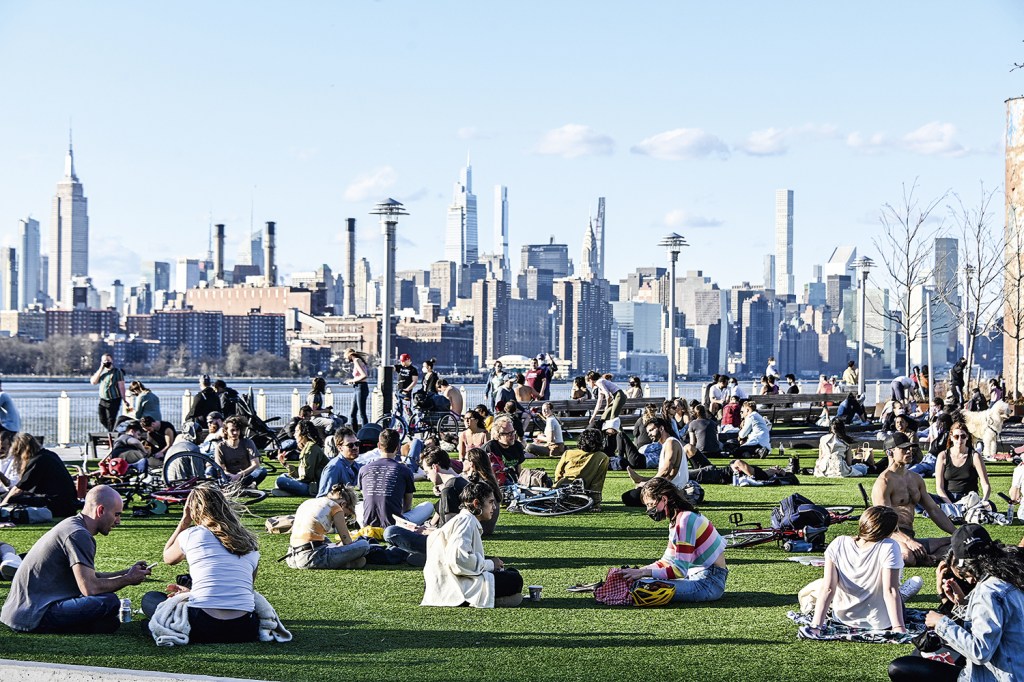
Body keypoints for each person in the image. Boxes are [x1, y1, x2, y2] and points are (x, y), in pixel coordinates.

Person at [0, 485, 151, 633]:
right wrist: (128, 579)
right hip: (35, 613)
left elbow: (89, 578)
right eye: (117, 514)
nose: (118, 521)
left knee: (109, 622)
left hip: (23, 611)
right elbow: (90, 588)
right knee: (109, 601)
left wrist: (127, 573)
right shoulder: (78, 534)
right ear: (101, 510)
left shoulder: (73, 525)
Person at [889, 524, 1024, 681]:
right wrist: (962, 605)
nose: (967, 580)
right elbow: (1004, 625)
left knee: (900, 667)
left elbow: (980, 652)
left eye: (962, 575)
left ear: (966, 565)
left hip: (997, 677)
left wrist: (941, 623)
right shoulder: (1011, 578)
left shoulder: (988, 591)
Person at [141, 485, 262, 643]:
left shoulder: (192, 534)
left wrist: (184, 522)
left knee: (151, 599)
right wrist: (189, 593)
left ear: (192, 510)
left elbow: (168, 557)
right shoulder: (249, 543)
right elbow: (243, 588)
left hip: (203, 625)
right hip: (245, 628)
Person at [617, 477, 728, 603]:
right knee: (636, 582)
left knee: (641, 588)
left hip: (708, 582)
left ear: (664, 499)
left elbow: (679, 571)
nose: (648, 510)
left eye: (650, 504)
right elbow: (667, 561)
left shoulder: (685, 521)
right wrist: (637, 572)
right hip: (698, 577)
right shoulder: (679, 518)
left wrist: (643, 573)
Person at [421, 482, 524, 609]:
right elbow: (458, 559)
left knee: (511, 574)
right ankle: (489, 599)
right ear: (476, 504)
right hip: (453, 586)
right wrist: (490, 564)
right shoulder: (465, 522)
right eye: (491, 502)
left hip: (443, 584)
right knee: (514, 579)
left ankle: (495, 597)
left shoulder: (464, 520)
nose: (494, 507)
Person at [808, 506, 905, 634]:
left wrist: (816, 626)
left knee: (818, 585)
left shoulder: (838, 543)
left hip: (843, 619)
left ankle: (903, 594)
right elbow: (890, 591)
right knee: (907, 586)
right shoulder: (889, 546)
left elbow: (828, 589)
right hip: (880, 622)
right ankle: (904, 594)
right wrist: (898, 628)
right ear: (888, 531)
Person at [872, 431, 956, 566]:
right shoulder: (884, 482)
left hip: (909, 535)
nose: (909, 451)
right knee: (907, 557)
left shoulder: (916, 479)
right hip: (890, 537)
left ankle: (930, 558)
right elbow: (884, 525)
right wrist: (908, 541)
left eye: (910, 448)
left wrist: (957, 533)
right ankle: (925, 558)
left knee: (956, 544)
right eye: (904, 448)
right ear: (890, 452)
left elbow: (933, 510)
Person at [356, 428, 432, 529]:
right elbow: (407, 505)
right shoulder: (404, 470)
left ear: (379, 445)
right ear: (398, 447)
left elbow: (366, 496)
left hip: (368, 524)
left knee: (358, 505)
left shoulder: (364, 469)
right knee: (429, 505)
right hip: (395, 524)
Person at [285, 484, 369, 570]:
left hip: (291, 557)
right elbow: (347, 542)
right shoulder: (335, 507)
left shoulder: (308, 502)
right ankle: (343, 563)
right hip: (312, 557)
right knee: (364, 545)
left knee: (325, 539)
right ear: (343, 504)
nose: (344, 518)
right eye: (346, 514)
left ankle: (344, 564)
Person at [0, 433, 77, 517]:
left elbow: (19, 489)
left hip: (55, 504)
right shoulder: (48, 455)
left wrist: (3, 504)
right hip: (67, 503)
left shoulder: (37, 460)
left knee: (12, 498)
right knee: (5, 496)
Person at [623, 418, 687, 507]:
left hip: (672, 491)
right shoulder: (668, 443)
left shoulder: (671, 442)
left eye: (651, 430)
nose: (649, 434)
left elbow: (666, 470)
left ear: (661, 428)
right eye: (648, 432)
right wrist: (643, 479)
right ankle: (640, 479)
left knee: (629, 497)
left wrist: (647, 484)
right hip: (670, 487)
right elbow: (667, 476)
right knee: (632, 494)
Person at [934, 421, 991, 505]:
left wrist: (983, 501)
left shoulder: (974, 456)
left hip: (969, 499)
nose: (960, 440)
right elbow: (939, 488)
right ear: (951, 437)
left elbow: (985, 484)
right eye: (956, 436)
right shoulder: (943, 456)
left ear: (967, 437)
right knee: (922, 498)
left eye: (963, 436)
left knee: (991, 506)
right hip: (947, 498)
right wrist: (951, 505)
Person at [553, 428, 609, 511]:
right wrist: (596, 504)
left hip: (560, 493)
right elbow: (597, 482)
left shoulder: (568, 453)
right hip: (582, 497)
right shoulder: (602, 457)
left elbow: (558, 474)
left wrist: (555, 488)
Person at [273, 419, 328, 497]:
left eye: (297, 431)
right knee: (283, 476)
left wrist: (294, 480)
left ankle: (289, 491)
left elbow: (307, 476)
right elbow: (301, 472)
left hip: (312, 487)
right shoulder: (308, 446)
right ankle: (289, 491)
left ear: (304, 433)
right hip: (308, 483)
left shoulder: (311, 448)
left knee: (280, 480)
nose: (294, 434)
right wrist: (285, 463)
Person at [213, 416, 268, 488]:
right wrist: (232, 476)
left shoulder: (248, 443)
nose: (235, 432)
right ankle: (247, 487)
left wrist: (240, 474)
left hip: (246, 476)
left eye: (237, 430)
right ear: (226, 431)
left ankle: (243, 486)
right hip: (229, 477)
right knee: (212, 471)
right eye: (232, 430)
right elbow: (221, 469)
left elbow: (256, 464)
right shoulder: (220, 447)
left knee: (262, 470)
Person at [89, 353, 127, 433]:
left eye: (108, 360)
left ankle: (111, 437)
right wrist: (100, 368)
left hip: (114, 399)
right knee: (102, 419)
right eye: (104, 360)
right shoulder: (102, 372)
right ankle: (115, 432)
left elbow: (121, 386)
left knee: (111, 420)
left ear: (112, 361)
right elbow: (93, 382)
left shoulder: (117, 372)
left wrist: (124, 399)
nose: (106, 362)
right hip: (103, 400)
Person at [318, 427, 361, 494]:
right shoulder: (334, 467)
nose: (355, 447)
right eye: (350, 445)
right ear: (339, 448)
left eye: (357, 444)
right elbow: (323, 497)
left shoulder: (356, 466)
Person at [344, 348, 370, 430]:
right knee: (352, 413)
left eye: (346, 357)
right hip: (357, 387)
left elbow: (364, 375)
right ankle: (355, 433)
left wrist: (352, 380)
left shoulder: (357, 360)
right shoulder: (357, 361)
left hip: (361, 387)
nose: (346, 360)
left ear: (350, 355)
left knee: (362, 413)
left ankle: (365, 432)